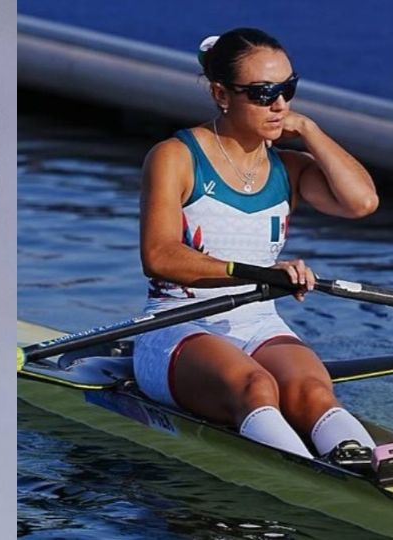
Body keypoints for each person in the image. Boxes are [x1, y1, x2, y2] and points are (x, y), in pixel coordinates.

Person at [134, 28, 379, 459]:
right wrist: (262, 275)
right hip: (177, 324)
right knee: (257, 385)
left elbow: (362, 202)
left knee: (313, 392)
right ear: (221, 94)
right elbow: (159, 256)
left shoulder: (291, 168)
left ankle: (363, 464)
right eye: (264, 92)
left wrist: (309, 129)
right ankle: (305, 477)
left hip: (258, 322)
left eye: (288, 89)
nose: (279, 104)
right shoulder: (175, 156)